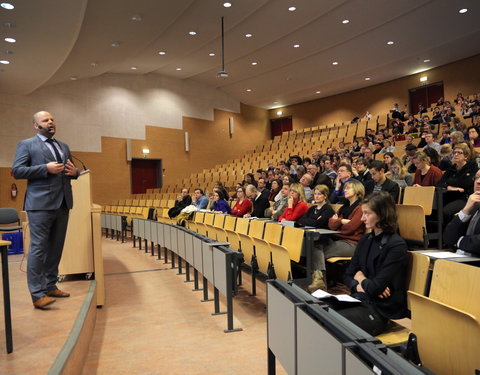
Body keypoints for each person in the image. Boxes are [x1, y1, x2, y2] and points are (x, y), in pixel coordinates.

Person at [12, 111, 80, 309]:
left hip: (63, 203)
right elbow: (17, 171)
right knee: (39, 249)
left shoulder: (63, 146)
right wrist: (45, 168)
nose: (50, 122)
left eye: (52, 119)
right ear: (36, 126)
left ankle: (50, 285)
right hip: (40, 205)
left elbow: (70, 171)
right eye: (45, 120)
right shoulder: (27, 145)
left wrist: (74, 173)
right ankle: (37, 294)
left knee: (56, 248)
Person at [338, 192, 408, 336]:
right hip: (361, 299)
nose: (362, 218)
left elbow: (375, 288)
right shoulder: (366, 239)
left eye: (367, 213)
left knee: (334, 322)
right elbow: (347, 274)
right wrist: (362, 285)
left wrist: (360, 277)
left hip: (380, 310)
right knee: (318, 310)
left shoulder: (396, 245)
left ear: (382, 215)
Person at [308, 180, 366, 292]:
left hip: (351, 243)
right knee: (315, 246)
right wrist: (342, 221)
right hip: (338, 239)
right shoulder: (343, 207)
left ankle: (319, 282)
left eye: (348, 188)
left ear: (357, 190)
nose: (345, 190)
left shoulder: (360, 208)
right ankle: (320, 281)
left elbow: (350, 228)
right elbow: (331, 224)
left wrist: (338, 222)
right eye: (345, 188)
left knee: (318, 253)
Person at [436, 142, 479, 223]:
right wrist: (449, 187)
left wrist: (449, 184)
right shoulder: (452, 168)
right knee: (433, 209)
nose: (456, 155)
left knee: (445, 212)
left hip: (464, 198)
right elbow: (439, 183)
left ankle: (447, 234)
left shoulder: (472, 167)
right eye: (454, 152)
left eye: (459, 153)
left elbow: (465, 183)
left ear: (466, 156)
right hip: (449, 196)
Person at [444, 169, 480, 256]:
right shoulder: (473, 205)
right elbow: (448, 238)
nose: (478, 181)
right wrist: (465, 211)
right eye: (477, 177)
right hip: (460, 258)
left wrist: (459, 242)